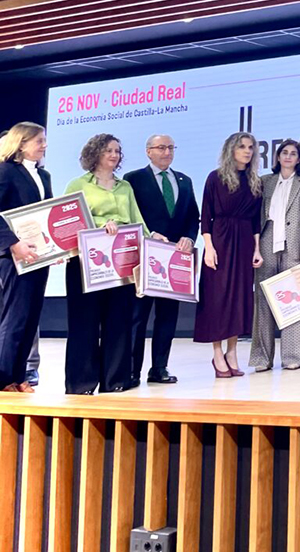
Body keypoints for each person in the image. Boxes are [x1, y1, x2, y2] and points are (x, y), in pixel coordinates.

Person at [65, 134, 169, 394]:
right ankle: (82, 383)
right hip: (85, 263)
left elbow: (137, 221)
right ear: (95, 153)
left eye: (117, 151)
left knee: (118, 322)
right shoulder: (78, 184)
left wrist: (151, 236)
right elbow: (68, 221)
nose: (114, 155)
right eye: (108, 150)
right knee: (84, 324)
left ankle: (115, 380)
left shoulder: (125, 187)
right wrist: (101, 226)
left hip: (120, 263)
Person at [125, 134, 200, 386]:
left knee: (168, 316)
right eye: (161, 147)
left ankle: (159, 367)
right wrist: (149, 234)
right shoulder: (133, 179)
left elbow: (193, 216)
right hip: (146, 256)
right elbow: (130, 214)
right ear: (148, 151)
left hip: (175, 259)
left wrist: (189, 238)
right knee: (138, 316)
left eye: (170, 147)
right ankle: (132, 370)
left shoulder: (184, 180)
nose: (167, 152)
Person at [195, 132, 264, 377]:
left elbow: (256, 220)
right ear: (231, 150)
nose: (247, 151)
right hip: (220, 240)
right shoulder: (215, 178)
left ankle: (232, 351)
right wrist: (209, 248)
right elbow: (206, 215)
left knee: (238, 298)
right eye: (242, 147)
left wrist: (256, 248)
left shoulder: (255, 180)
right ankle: (217, 353)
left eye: (251, 147)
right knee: (217, 297)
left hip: (245, 241)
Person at [249, 140, 300, 371]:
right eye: (284, 153)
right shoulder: (265, 182)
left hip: (295, 249)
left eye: (293, 154)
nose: (288, 157)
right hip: (267, 246)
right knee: (263, 303)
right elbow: (255, 217)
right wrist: (255, 247)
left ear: (299, 159)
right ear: (278, 157)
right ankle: (262, 358)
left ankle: (292, 357)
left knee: (295, 303)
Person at [0, 123, 52, 393]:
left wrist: (57, 249)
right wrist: (12, 244)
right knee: (15, 318)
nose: (44, 145)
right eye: (39, 141)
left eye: (44, 141)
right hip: (14, 256)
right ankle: (3, 378)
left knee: (31, 317)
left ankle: (19, 376)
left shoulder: (44, 176)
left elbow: (49, 215)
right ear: (21, 144)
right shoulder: (5, 171)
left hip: (39, 255)